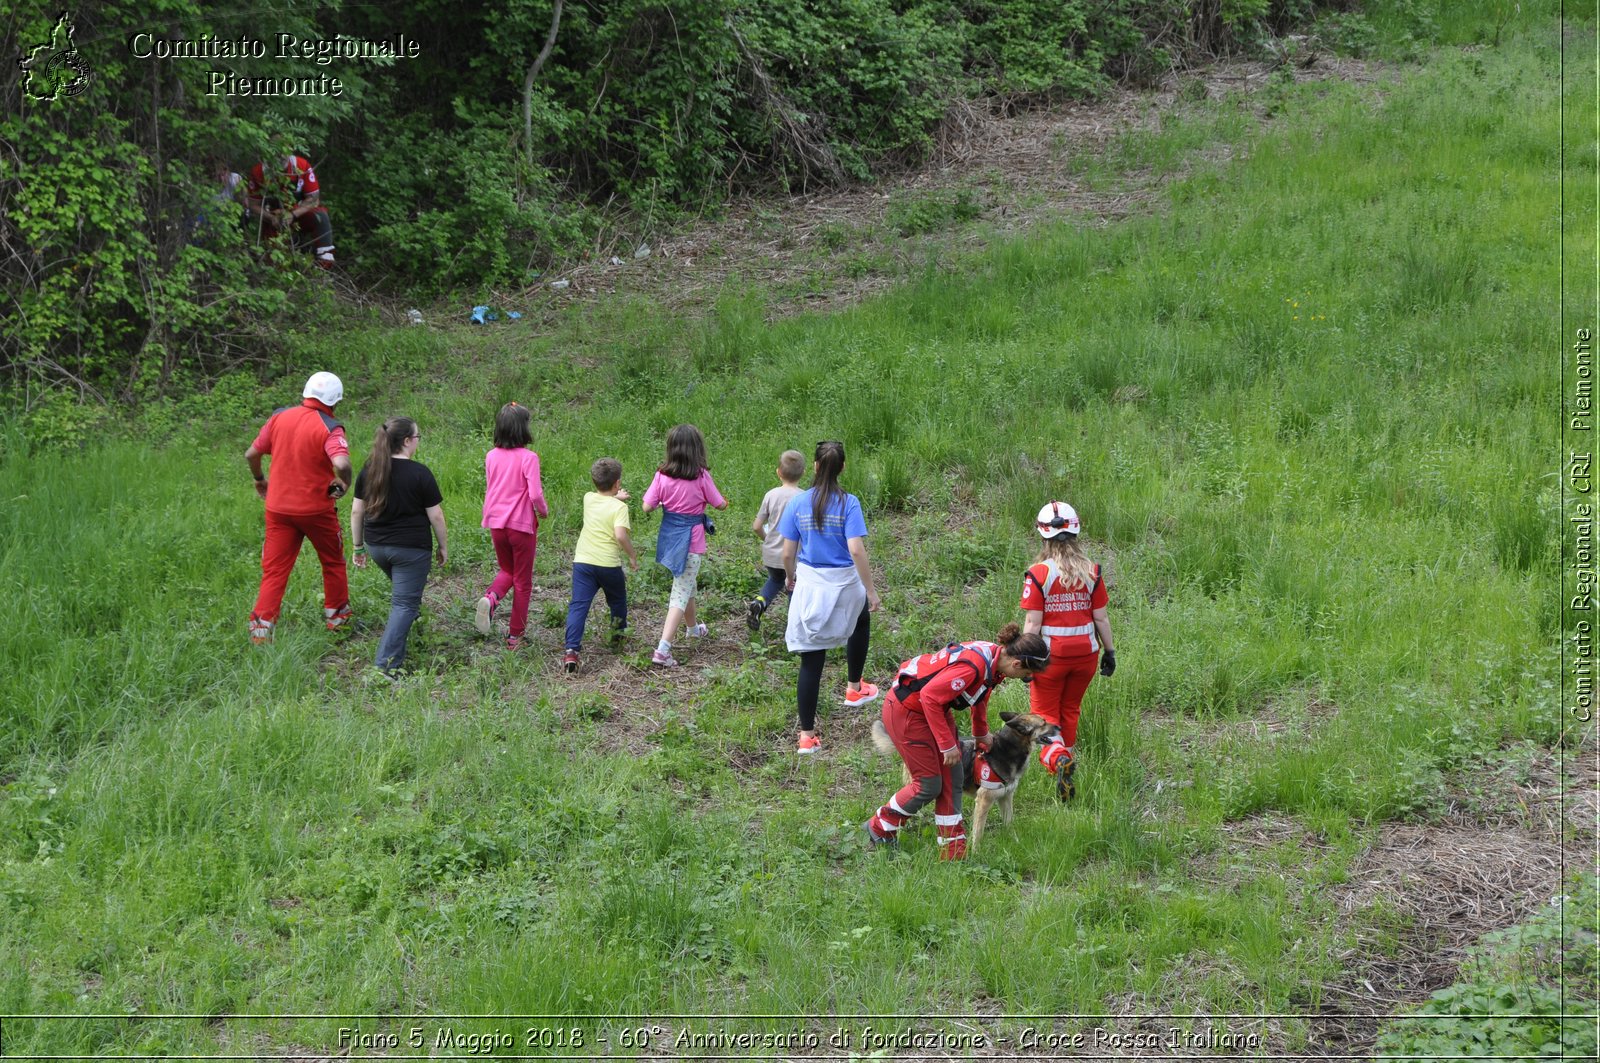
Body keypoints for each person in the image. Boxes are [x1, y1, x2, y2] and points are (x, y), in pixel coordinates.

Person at [863, 624, 1051, 860]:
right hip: (908, 711)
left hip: (933, 711)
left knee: (954, 776)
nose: (1025, 679)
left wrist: (981, 733)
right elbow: (929, 696)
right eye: (1026, 675)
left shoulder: (994, 660)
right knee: (928, 784)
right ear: (1017, 664)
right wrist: (947, 745)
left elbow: (981, 694)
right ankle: (880, 827)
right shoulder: (973, 666)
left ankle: (952, 850)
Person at [778, 440, 881, 755]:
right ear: (843, 468)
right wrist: (870, 589)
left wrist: (791, 576)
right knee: (860, 618)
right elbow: (855, 549)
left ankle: (807, 737)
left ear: (815, 466)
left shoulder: (798, 503)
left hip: (811, 585)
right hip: (845, 584)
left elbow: (786, 552)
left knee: (812, 660)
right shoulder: (849, 503)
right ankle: (854, 688)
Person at [244, 371, 352, 643]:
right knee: (332, 562)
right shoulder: (329, 426)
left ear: (306, 393)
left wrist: (259, 480)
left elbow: (252, 453)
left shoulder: (279, 417)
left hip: (278, 509)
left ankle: (260, 631)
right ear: (335, 400)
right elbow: (341, 463)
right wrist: (344, 483)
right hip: (316, 511)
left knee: (275, 569)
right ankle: (338, 622)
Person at [1020, 501, 1116, 801]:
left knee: (1044, 716)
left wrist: (1025, 658)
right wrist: (1110, 652)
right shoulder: (1093, 571)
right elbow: (1100, 617)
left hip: (1050, 660)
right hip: (1085, 657)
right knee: (1070, 710)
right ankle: (1066, 761)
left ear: (1043, 535)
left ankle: (1056, 759)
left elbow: (1033, 623)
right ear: (1076, 531)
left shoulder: (1038, 574)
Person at [350, 418, 448, 675]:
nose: (418, 441)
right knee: (404, 605)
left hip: (377, 547)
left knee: (406, 599)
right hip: (410, 550)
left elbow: (356, 512)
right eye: (417, 437)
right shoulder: (420, 473)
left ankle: (406, 627)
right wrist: (443, 546)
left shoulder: (369, 469)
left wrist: (358, 546)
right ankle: (384, 667)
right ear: (406, 441)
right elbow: (436, 516)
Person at [641, 424, 727, 667]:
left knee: (687, 584)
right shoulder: (700, 476)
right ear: (697, 450)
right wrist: (722, 503)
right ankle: (663, 649)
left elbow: (647, 506)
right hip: (691, 540)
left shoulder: (661, 475)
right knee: (680, 591)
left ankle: (693, 629)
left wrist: (662, 503)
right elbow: (719, 503)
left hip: (670, 540)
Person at [474, 402, 548, 650]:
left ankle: (491, 598)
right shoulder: (529, 458)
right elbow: (535, 494)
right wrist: (544, 511)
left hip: (496, 523)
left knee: (507, 569)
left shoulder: (490, 455)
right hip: (520, 526)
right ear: (522, 429)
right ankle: (515, 636)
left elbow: (491, 486)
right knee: (523, 581)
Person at [562, 458, 639, 673]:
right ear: (618, 483)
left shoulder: (588, 498)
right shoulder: (620, 507)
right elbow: (620, 536)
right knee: (617, 601)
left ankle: (571, 652)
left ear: (594, 481)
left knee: (579, 605)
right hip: (608, 565)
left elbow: (603, 499)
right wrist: (632, 556)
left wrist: (615, 496)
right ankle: (617, 638)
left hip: (583, 563)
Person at [746, 449, 805, 633]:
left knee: (775, 579)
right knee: (793, 586)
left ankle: (760, 602)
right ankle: (794, 628)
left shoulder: (771, 495)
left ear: (778, 472)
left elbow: (757, 526)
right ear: (803, 473)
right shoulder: (804, 497)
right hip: (794, 555)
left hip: (771, 553)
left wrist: (768, 540)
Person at [244, 153, 335, 269]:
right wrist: (271, 218)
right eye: (276, 153)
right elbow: (253, 204)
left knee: (320, 215)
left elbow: (314, 199)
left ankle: (324, 262)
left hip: (298, 213)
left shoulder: (301, 166)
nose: (280, 156)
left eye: (283, 153)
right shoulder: (259, 171)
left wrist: (292, 214)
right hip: (274, 218)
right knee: (274, 262)